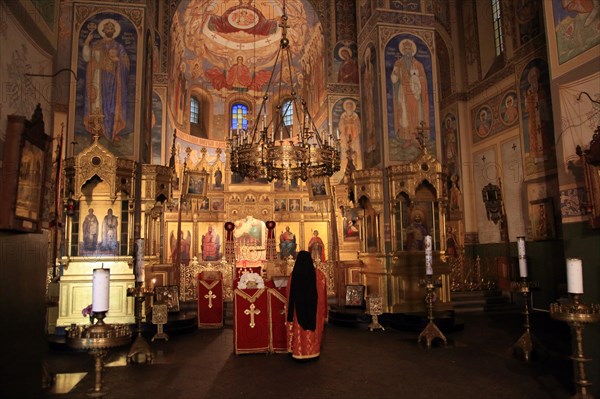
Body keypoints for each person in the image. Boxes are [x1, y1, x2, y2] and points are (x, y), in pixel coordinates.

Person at [82, 18, 130, 143]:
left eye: (111, 29)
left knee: (112, 107)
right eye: (107, 28)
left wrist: (118, 61)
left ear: (114, 31)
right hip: (98, 79)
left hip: (114, 82)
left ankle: (112, 132)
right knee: (98, 104)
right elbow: (87, 57)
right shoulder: (97, 45)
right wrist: (87, 43)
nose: (109, 30)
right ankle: (97, 132)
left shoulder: (119, 47)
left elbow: (126, 64)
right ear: (103, 30)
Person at [286, 250, 328, 361]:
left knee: (299, 331)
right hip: (314, 310)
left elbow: (289, 294)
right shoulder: (319, 275)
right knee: (312, 332)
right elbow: (323, 293)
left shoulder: (293, 275)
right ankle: (313, 352)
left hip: (298, 310)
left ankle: (299, 352)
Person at [390, 38, 429, 147]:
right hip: (403, 92)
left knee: (415, 115)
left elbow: (423, 79)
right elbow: (394, 79)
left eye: (409, 49)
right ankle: (407, 138)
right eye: (405, 49)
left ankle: (415, 138)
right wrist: (395, 73)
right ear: (403, 50)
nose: (407, 51)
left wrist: (417, 80)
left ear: (412, 50)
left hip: (414, 93)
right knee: (404, 115)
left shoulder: (418, 64)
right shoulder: (398, 63)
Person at [338, 99, 362, 170]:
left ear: (352, 107)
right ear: (345, 107)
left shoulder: (355, 116)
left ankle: (357, 167)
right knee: (345, 150)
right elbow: (340, 126)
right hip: (345, 136)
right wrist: (345, 125)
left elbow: (358, 127)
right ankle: (344, 167)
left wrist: (352, 124)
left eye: (350, 106)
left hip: (354, 136)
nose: (349, 108)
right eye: (347, 106)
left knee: (355, 150)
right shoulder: (343, 116)